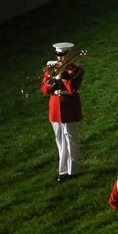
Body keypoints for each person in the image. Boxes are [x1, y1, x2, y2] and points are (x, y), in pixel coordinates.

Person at [41, 42, 84, 182]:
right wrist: (52, 78)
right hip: (55, 106)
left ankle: (73, 170)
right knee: (60, 140)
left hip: (70, 106)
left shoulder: (77, 70)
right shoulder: (51, 68)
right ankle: (63, 170)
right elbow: (44, 90)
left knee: (71, 140)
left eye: (63, 55)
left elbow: (72, 89)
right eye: (58, 55)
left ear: (69, 55)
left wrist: (64, 75)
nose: (60, 58)